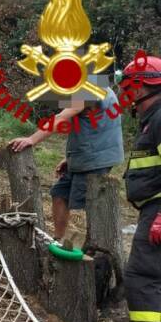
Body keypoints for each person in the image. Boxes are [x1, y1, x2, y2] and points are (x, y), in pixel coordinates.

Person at [105, 55, 161, 322]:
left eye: (128, 88)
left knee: (142, 278)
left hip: (158, 210)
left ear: (142, 87)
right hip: (152, 208)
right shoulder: (153, 118)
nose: (126, 96)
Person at [9, 88, 124, 240]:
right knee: (59, 193)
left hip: (94, 158)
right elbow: (87, 123)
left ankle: (95, 248)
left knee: (88, 206)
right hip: (85, 154)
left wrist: (32, 139)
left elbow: (61, 118)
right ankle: (58, 240)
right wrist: (70, 158)